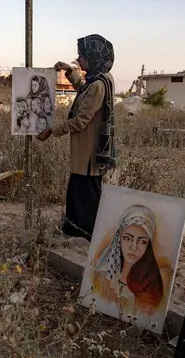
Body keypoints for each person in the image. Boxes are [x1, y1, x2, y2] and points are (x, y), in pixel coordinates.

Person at [37, 34, 116, 241]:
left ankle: (85, 236)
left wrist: (52, 131)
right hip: (86, 153)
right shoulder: (100, 79)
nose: (79, 59)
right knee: (80, 194)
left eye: (82, 55)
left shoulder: (98, 85)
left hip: (88, 154)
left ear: (94, 56)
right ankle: (78, 232)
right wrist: (69, 71)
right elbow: (83, 88)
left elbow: (81, 121)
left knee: (85, 196)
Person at [92, 205, 170, 317]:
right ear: (119, 239)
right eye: (127, 238)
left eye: (142, 241)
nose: (133, 247)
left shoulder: (151, 285)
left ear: (148, 245)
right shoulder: (102, 275)